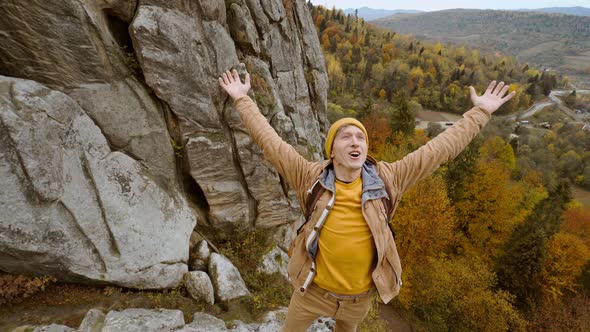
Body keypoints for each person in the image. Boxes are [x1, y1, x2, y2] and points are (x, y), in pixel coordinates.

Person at [219, 69, 514, 332]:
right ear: (332, 151)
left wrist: (481, 113)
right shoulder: (310, 178)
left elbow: (439, 150)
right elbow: (271, 144)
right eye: (346, 137)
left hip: (359, 300)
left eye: (361, 138)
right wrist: (242, 99)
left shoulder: (389, 179)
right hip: (311, 292)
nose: (356, 142)